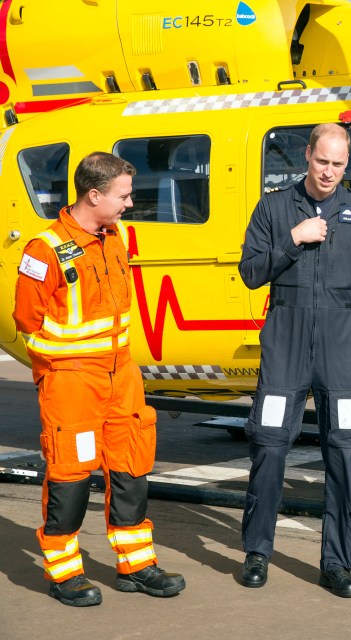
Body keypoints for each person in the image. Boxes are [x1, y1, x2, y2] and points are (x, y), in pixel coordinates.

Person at [13, 152, 186, 607]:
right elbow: (28, 321)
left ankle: (136, 565)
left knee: (131, 469)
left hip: (121, 373)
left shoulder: (114, 237)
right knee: (70, 475)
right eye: (123, 195)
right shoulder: (43, 249)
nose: (129, 204)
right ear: (95, 195)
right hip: (71, 382)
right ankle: (64, 574)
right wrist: (69, 364)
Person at [237, 123, 351, 598]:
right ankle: (257, 553)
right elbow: (249, 272)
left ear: (348, 165)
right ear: (307, 155)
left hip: (342, 348)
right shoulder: (274, 207)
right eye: (322, 161)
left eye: (338, 164)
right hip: (284, 342)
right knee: (268, 446)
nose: (328, 172)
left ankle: (337, 563)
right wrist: (293, 239)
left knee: (346, 452)